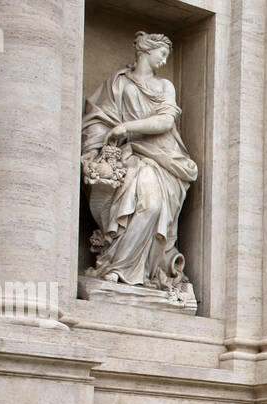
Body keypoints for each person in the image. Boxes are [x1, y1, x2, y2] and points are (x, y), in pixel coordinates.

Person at [81, 32, 198, 301]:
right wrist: (98, 146)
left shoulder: (165, 86)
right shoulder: (118, 83)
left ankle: (137, 269)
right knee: (132, 203)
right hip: (128, 155)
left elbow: (165, 123)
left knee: (153, 205)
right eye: (161, 53)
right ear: (146, 50)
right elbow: (98, 118)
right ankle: (117, 267)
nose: (165, 58)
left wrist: (125, 127)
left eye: (168, 54)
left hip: (163, 157)